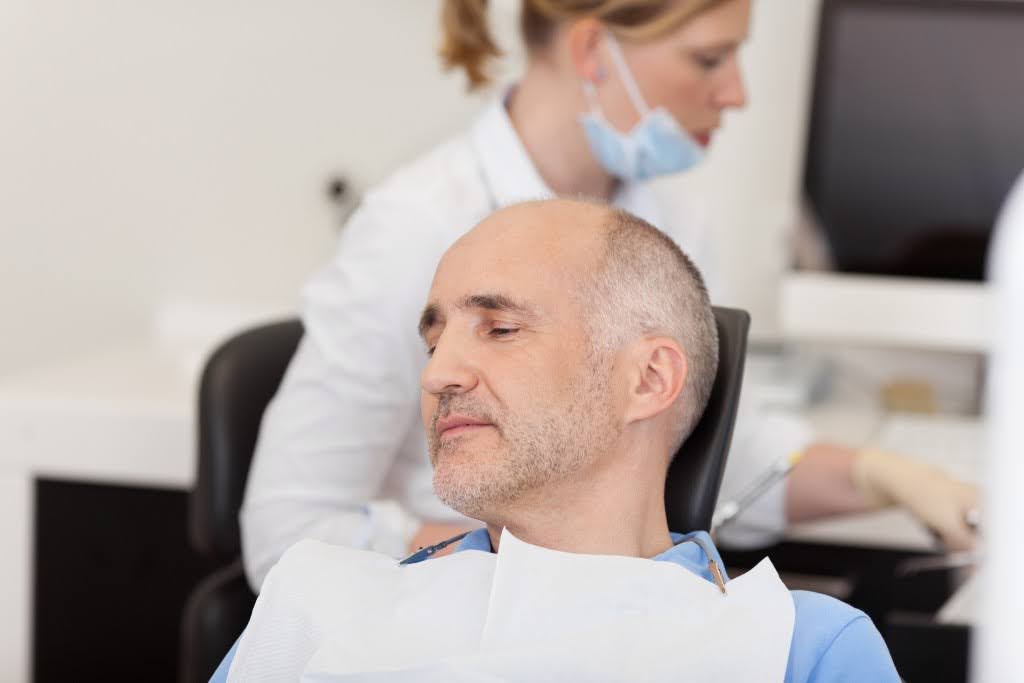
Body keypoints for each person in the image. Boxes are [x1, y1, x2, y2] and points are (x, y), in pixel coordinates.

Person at [240, 0, 976, 591]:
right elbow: (285, 532)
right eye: (709, 58)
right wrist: (530, 570)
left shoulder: (666, 222)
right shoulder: (418, 225)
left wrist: (887, 473)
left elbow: (721, 461)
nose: (736, 92)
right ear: (594, 52)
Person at [215, 200, 899, 682]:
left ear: (648, 378)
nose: (437, 373)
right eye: (432, 340)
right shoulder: (317, 601)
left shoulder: (794, 650)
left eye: (500, 329)